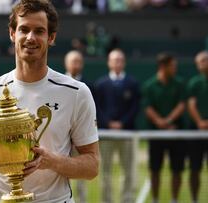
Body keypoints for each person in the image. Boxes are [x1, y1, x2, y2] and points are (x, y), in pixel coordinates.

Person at [0, 0, 100, 202]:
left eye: (39, 31)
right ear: (12, 33)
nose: (30, 37)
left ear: (51, 37)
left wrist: (50, 161)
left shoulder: (76, 92)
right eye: (24, 29)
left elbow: (92, 166)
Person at [94, 48, 139, 203]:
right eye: (114, 59)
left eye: (120, 59)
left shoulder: (132, 83)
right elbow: (97, 108)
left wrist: (122, 124)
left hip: (127, 134)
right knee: (105, 171)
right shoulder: (101, 84)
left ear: (124, 62)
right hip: (106, 135)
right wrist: (108, 124)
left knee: (128, 171)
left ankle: (127, 200)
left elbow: (135, 107)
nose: (117, 62)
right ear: (109, 62)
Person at [142, 52, 186, 203]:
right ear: (163, 66)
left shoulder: (179, 84)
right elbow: (147, 108)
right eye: (172, 66)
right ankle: (155, 199)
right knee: (155, 170)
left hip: (176, 135)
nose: (175, 68)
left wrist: (167, 121)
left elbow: (182, 105)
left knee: (177, 170)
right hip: (156, 136)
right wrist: (160, 122)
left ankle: (174, 200)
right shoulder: (149, 85)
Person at [64, 49, 92, 203]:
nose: (76, 64)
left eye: (78, 61)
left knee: (82, 173)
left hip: (81, 139)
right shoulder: (57, 86)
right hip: (63, 139)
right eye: (73, 61)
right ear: (66, 63)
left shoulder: (88, 86)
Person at [187, 51, 208, 203]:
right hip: (196, 133)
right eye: (200, 61)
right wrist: (200, 122)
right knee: (195, 168)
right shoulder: (194, 82)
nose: (203, 63)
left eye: (205, 60)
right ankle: (194, 199)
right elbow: (191, 104)